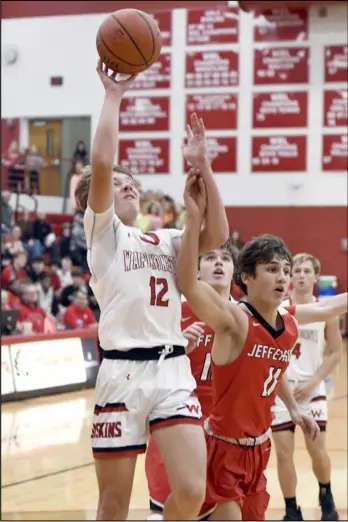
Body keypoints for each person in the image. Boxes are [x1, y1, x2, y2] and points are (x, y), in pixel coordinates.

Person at [75, 61, 229, 521]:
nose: (125, 187)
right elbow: (102, 163)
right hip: (122, 371)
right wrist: (114, 96)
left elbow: (217, 234)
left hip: (171, 368)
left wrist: (203, 166)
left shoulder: (166, 239)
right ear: (92, 203)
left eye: (131, 184)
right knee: (114, 504)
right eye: (116, 185)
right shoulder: (105, 237)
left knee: (190, 488)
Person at [176, 172, 348, 521]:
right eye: (272, 269)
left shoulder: (287, 323)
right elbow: (189, 286)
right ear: (247, 277)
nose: (283, 277)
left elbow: (272, 369)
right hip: (223, 449)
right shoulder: (235, 320)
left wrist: (295, 409)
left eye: (286, 270)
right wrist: (195, 221)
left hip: (259, 448)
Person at [145, 241, 238, 521]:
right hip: (179, 422)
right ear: (196, 271)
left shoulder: (247, 316)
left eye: (225, 258)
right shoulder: (174, 311)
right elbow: (147, 371)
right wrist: (176, 349)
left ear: (235, 270)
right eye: (210, 257)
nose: (219, 262)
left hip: (226, 436)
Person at [272, 253, 342, 521]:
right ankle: (291, 509)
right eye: (296, 271)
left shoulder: (326, 312)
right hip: (282, 392)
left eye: (305, 271)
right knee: (283, 453)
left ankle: (326, 495)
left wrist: (315, 381)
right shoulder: (279, 308)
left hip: (312, 390)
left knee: (317, 450)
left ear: (315, 276)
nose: (300, 275)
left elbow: (336, 351)